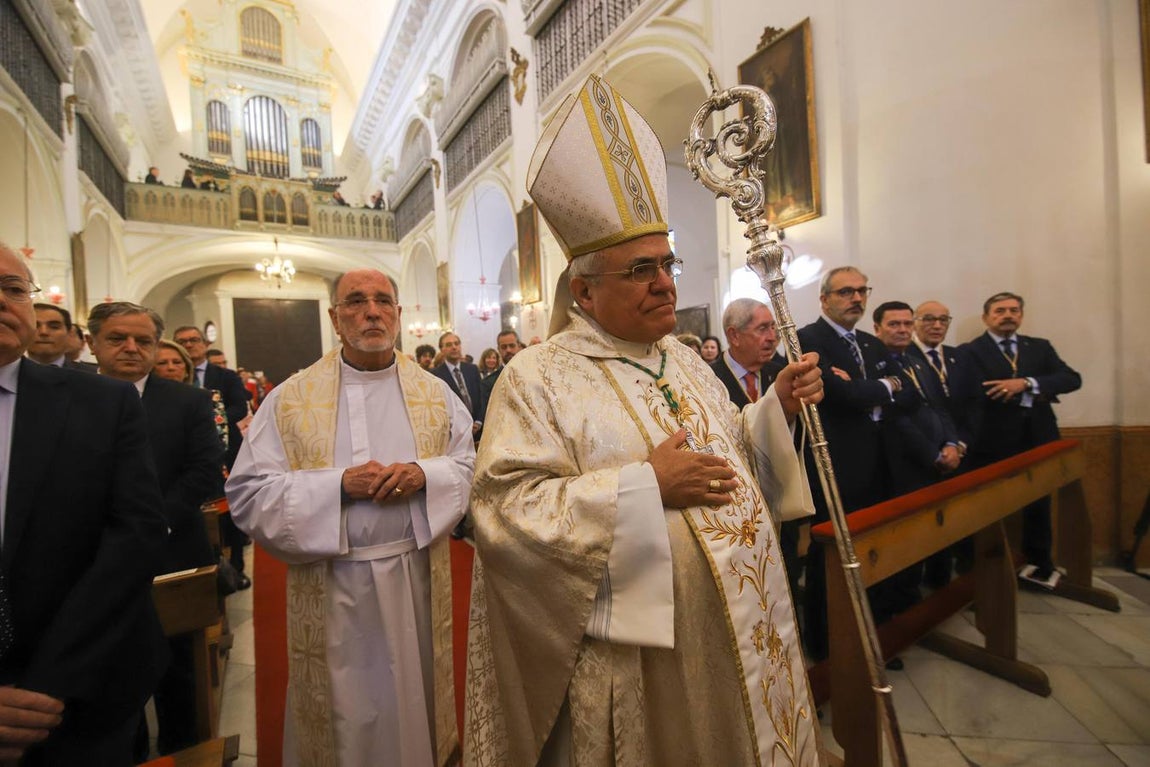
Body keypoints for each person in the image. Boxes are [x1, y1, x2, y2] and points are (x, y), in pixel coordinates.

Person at [464, 74, 825, 767]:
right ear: (584, 292)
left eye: (668, 263)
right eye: (640, 269)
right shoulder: (535, 376)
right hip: (644, 664)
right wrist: (641, 487)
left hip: (741, 637)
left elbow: (731, 451)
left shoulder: (685, 359)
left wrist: (772, 409)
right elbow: (504, 509)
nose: (666, 283)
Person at [226, 269, 474, 766]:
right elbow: (248, 493)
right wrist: (339, 485)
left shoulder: (436, 394)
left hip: (416, 580)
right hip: (333, 584)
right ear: (336, 319)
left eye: (384, 301)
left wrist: (425, 475)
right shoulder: (290, 400)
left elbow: (469, 466)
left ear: (400, 316)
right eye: (356, 302)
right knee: (345, 718)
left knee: (417, 701)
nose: (372, 311)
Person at [0, 244, 169, 764]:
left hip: (80, 691)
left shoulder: (101, 403)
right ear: (92, 342)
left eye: (12, 289)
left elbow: (135, 534)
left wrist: (49, 683)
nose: (3, 302)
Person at [87, 301, 224, 756]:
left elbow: (204, 471)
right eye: (117, 338)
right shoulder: (67, 397)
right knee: (108, 683)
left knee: (179, 679)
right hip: (90, 561)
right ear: (92, 344)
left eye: (143, 340)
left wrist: (149, 525)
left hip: (173, 555)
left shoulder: (188, 401)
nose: (131, 348)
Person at [796, 266, 910, 661]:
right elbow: (841, 398)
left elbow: (904, 385)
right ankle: (826, 646)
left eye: (862, 291)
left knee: (871, 553)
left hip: (879, 463)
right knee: (831, 559)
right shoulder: (808, 338)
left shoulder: (870, 342)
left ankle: (871, 638)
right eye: (846, 292)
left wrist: (873, 387)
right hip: (836, 467)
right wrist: (879, 388)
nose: (857, 298)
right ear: (825, 299)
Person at [959, 291, 1081, 588]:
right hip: (992, 440)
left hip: (1039, 437)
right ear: (987, 317)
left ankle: (1039, 564)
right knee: (987, 505)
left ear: (1022, 315)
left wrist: (1026, 383)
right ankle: (982, 569)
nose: (1008, 315)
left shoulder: (1039, 347)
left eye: (1014, 310)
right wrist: (1034, 392)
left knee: (1039, 503)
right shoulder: (970, 351)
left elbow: (1071, 379)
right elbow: (977, 390)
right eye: (1000, 310)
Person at [908, 300, 983, 586]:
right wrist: (935, 451)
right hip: (923, 456)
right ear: (915, 322)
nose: (937, 325)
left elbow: (976, 405)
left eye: (943, 320)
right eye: (928, 319)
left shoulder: (960, 357)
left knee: (956, 521)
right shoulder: (904, 354)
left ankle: (951, 579)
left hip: (959, 451)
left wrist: (959, 444)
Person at [174, 325, 252, 584]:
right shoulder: (172, 376)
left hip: (225, 452)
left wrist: (207, 423)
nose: (189, 345)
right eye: (182, 341)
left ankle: (237, 567)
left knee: (229, 510)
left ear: (204, 344)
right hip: (186, 456)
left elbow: (239, 407)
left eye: (194, 340)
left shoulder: (225, 376)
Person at [711, 298, 785, 409]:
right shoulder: (710, 379)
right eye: (762, 328)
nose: (772, 337)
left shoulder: (779, 375)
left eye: (772, 327)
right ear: (734, 336)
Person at [432, 332, 484, 439]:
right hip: (455, 433)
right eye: (449, 345)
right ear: (441, 350)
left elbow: (481, 397)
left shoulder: (472, 369)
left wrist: (478, 421)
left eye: (456, 344)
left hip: (479, 430)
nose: (454, 347)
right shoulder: (435, 375)